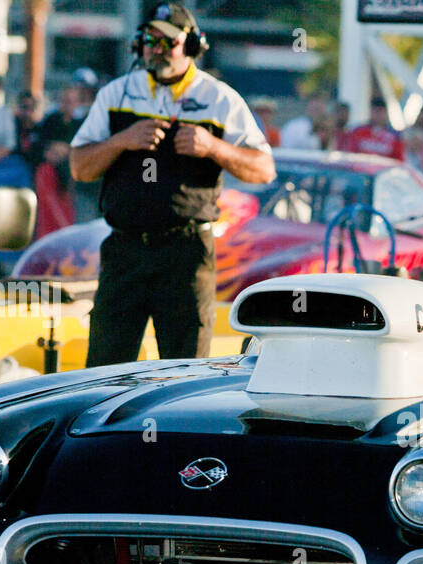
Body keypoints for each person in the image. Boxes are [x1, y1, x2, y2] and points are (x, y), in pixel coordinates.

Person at [70, 1, 274, 366]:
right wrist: (121, 140)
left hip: (186, 251)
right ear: (138, 44)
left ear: (192, 46)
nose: (158, 50)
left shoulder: (219, 97)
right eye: (150, 40)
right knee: (104, 369)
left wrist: (213, 147)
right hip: (125, 249)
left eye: (168, 42)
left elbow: (263, 170)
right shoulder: (116, 93)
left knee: (185, 369)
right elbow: (80, 168)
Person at [339, 97, 404, 160]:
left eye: (380, 111)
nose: (378, 115)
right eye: (375, 111)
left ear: (386, 113)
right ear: (371, 111)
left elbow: (398, 160)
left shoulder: (395, 136)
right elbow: (349, 154)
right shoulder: (358, 132)